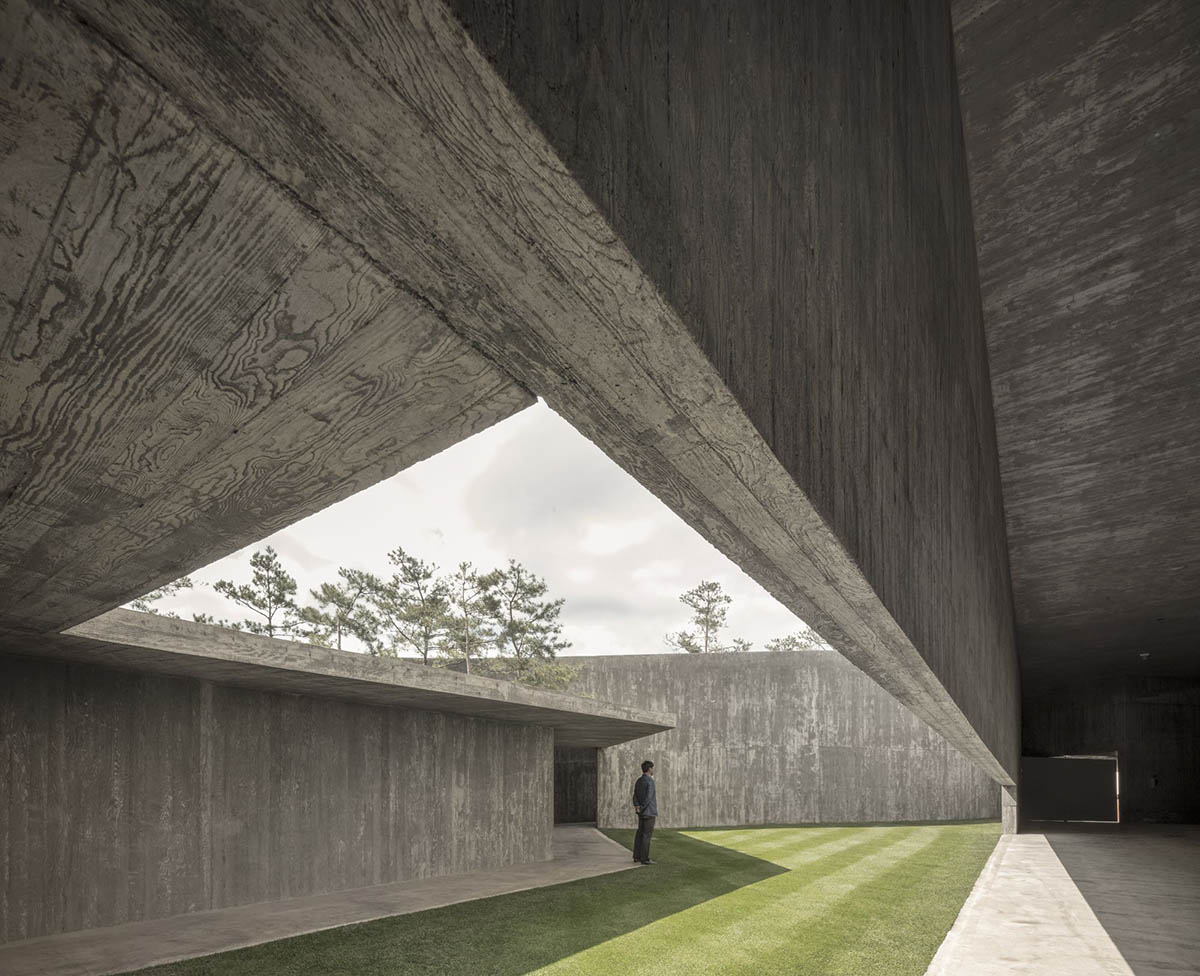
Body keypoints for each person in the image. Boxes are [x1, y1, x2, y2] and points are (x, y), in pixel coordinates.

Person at [632, 759, 658, 864]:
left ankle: (636, 856)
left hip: (641, 812)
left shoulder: (639, 781)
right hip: (649, 812)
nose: (653, 770)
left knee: (639, 834)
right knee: (646, 836)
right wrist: (642, 807)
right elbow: (649, 797)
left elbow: (635, 795)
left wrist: (637, 806)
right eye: (652, 768)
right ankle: (645, 858)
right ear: (649, 769)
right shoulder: (650, 781)